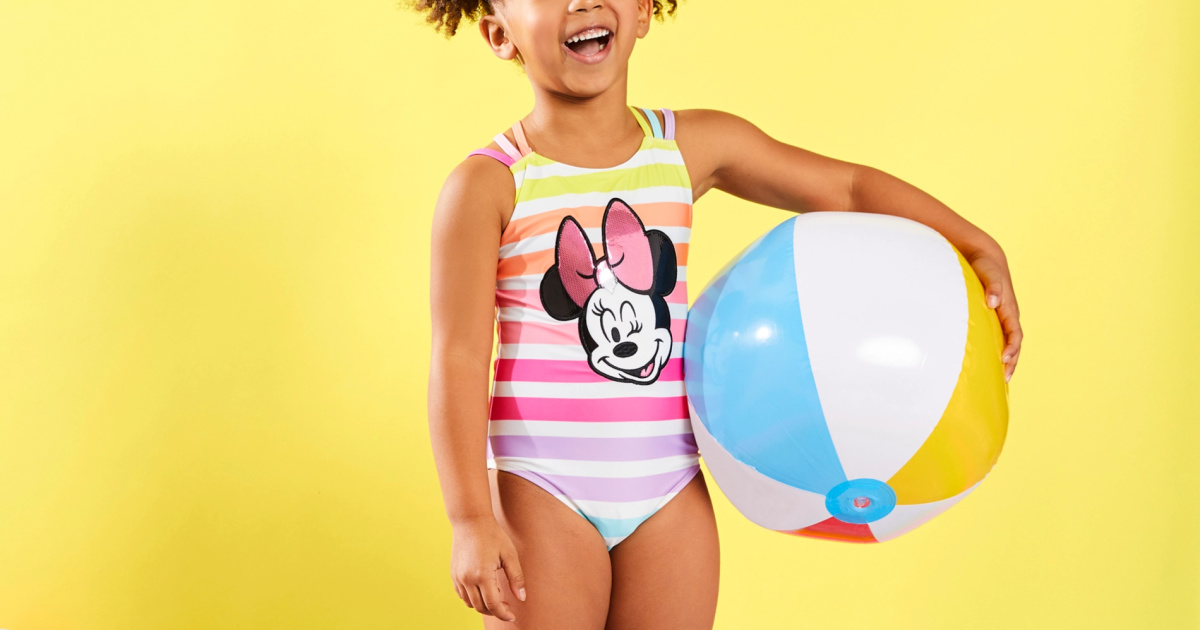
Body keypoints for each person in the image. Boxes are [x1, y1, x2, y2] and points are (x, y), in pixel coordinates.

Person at [414, 0, 1024, 627]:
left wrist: (976, 243)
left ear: (646, 10)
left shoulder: (691, 147)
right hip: (543, 488)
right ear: (498, 34)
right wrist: (469, 518)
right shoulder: (490, 184)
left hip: (671, 490)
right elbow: (458, 357)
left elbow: (845, 190)